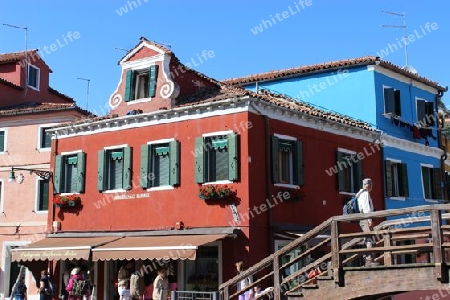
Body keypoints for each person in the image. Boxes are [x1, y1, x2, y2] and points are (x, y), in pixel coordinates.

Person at [357, 178, 380, 267]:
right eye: (371, 185)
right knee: (370, 238)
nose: (372, 187)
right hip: (365, 218)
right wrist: (370, 220)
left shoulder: (359, 194)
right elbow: (367, 208)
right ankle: (369, 260)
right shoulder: (365, 193)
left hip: (361, 219)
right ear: (368, 185)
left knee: (367, 239)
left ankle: (366, 259)